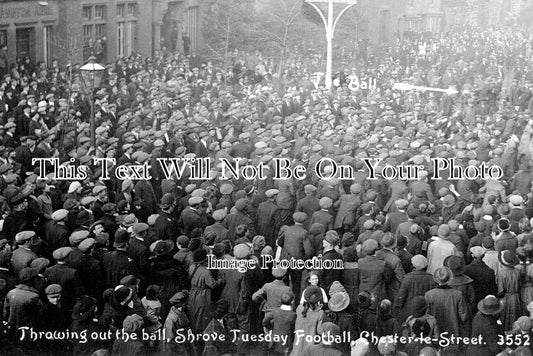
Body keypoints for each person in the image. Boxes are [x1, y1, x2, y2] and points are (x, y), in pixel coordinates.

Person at [290, 285, 325, 356]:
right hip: (310, 349)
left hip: (297, 348)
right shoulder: (320, 312)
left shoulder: (299, 308)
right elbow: (320, 331)